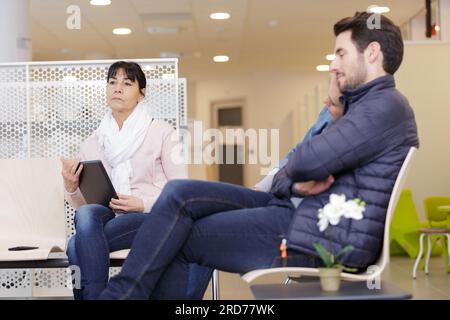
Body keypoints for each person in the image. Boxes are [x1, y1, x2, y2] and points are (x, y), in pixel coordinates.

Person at [98, 12, 419, 300]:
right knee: (179, 192)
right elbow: (298, 164)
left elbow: (304, 161)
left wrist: (295, 174)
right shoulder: (363, 107)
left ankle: (120, 295)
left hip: (313, 235)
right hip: (293, 210)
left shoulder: (384, 107)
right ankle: (122, 294)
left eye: (340, 53)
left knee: (184, 235)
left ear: (372, 53)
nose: (334, 64)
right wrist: (294, 180)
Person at [187, 75, 344, 299]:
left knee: (194, 230)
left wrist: (286, 182)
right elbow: (297, 154)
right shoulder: (328, 114)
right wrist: (264, 185)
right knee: (195, 207)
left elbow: (306, 171)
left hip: (296, 217)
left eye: (333, 98)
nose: (325, 102)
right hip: (280, 198)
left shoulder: (353, 130)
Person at [61, 61, 187, 300]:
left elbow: (182, 190)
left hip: (153, 217)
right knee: (86, 215)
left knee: (75, 245)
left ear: (142, 93)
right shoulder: (93, 141)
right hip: (109, 217)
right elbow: (83, 205)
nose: (117, 88)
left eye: (127, 83)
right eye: (112, 82)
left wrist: (143, 203)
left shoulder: (162, 132)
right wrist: (71, 187)